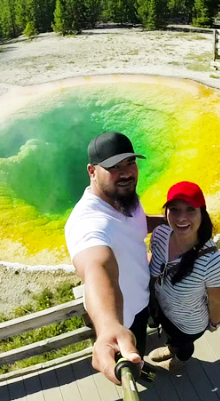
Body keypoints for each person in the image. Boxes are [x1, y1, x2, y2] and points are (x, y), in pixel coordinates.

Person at [65, 131, 165, 384]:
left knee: (140, 344)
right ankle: (138, 372)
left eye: (130, 163)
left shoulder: (124, 199)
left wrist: (171, 222)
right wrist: (109, 325)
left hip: (142, 298)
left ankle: (139, 368)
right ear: (92, 171)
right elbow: (96, 263)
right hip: (124, 318)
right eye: (113, 167)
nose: (126, 173)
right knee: (133, 353)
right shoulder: (88, 222)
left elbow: (138, 226)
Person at [147, 181, 220, 371]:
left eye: (190, 209)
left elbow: (215, 300)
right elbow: (154, 259)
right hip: (163, 309)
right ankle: (170, 347)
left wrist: (214, 324)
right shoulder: (160, 234)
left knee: (184, 344)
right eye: (174, 209)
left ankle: (180, 359)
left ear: (202, 213)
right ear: (166, 212)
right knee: (170, 335)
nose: (181, 217)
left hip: (189, 323)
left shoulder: (212, 261)